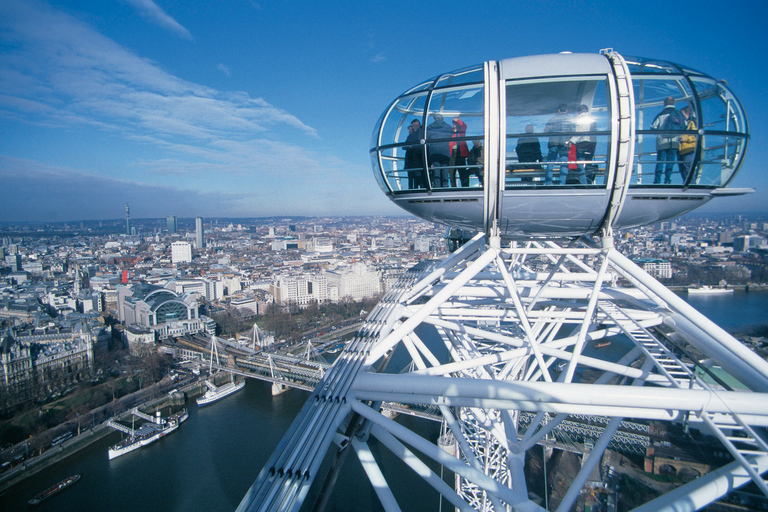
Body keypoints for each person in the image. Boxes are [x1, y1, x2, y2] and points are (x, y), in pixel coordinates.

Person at [651, 96, 685, 184]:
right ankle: (667, 180)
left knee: (660, 162)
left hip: (662, 142)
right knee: (670, 161)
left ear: (664, 103)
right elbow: (684, 126)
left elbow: (653, 128)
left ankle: (657, 181)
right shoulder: (679, 114)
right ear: (674, 103)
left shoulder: (660, 115)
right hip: (674, 141)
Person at [544, 104, 574, 184]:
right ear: (566, 110)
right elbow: (573, 131)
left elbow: (545, 131)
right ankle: (562, 183)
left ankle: (548, 183)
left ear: (558, 110)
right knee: (564, 164)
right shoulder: (569, 119)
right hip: (564, 144)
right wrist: (569, 139)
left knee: (550, 164)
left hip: (553, 143)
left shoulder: (552, 119)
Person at [426, 113, 452, 188]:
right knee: (445, 168)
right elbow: (451, 135)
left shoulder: (430, 127)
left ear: (434, 119)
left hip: (434, 151)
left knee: (436, 168)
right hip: (445, 151)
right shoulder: (448, 126)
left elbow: (427, 137)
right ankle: (445, 185)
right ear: (442, 119)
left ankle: (437, 185)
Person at [572, 104, 596, 184]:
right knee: (589, 163)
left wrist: (572, 141)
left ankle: (583, 183)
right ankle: (589, 182)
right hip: (591, 144)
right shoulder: (592, 119)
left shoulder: (579, 119)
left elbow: (578, 132)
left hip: (582, 144)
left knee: (580, 164)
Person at [403, 119, 425, 189]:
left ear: (417, 125)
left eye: (413, 125)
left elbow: (420, 145)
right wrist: (410, 147)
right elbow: (404, 146)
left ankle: (419, 187)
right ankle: (412, 188)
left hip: (417, 158)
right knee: (411, 175)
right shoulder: (411, 136)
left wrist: (411, 147)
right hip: (411, 159)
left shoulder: (420, 133)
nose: (412, 127)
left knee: (417, 174)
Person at [678, 106, 697, 183]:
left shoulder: (692, 123)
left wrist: (686, 139)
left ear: (688, 114)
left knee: (688, 168)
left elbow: (696, 136)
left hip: (687, 149)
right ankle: (686, 183)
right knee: (683, 169)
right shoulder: (682, 123)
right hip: (680, 149)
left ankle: (692, 184)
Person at [449, 117, 470, 187]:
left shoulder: (461, 130)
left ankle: (465, 188)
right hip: (452, 154)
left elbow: (464, 125)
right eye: (453, 122)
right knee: (451, 173)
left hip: (461, 154)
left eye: (456, 122)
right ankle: (453, 188)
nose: (454, 123)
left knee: (463, 172)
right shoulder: (450, 131)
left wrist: (457, 120)